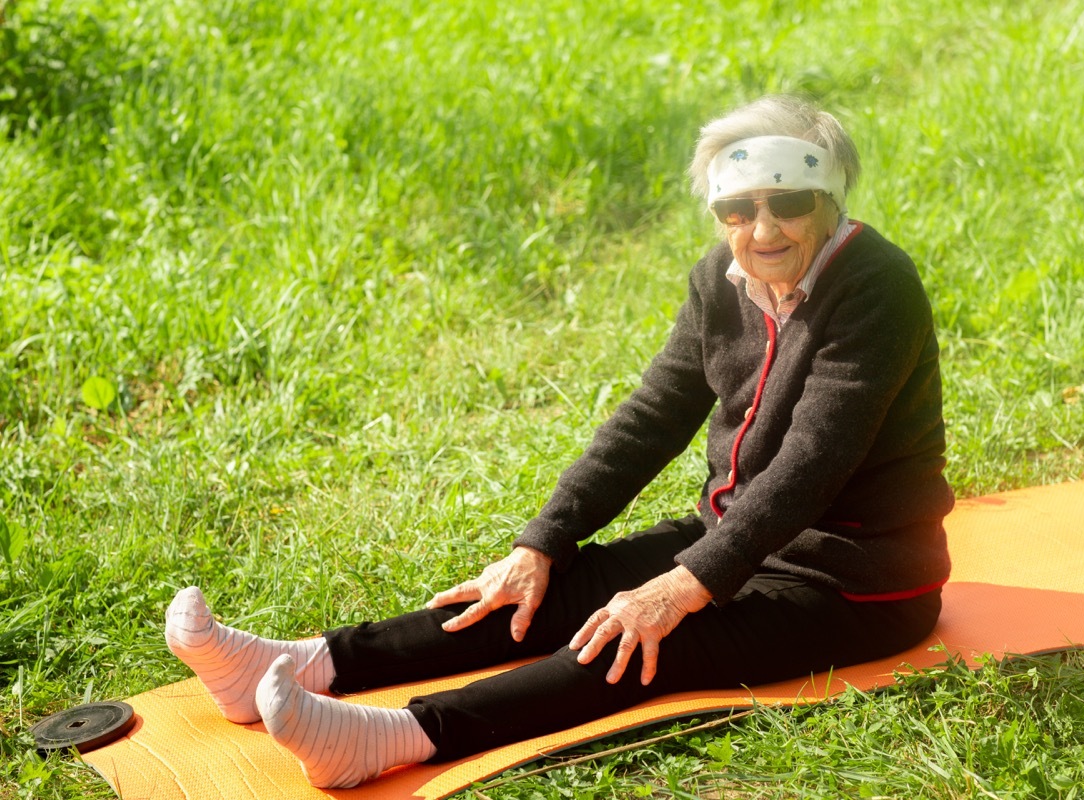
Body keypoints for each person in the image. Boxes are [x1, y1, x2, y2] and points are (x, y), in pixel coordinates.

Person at [164, 94, 955, 789]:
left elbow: (813, 461)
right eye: (738, 209)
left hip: (853, 580)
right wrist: (542, 541)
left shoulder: (876, 285)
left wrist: (682, 587)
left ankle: (396, 738)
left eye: (788, 202)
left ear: (829, 198)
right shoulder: (721, 278)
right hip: (734, 533)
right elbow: (651, 416)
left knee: (640, 639)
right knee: (547, 590)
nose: (763, 227)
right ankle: (310, 661)